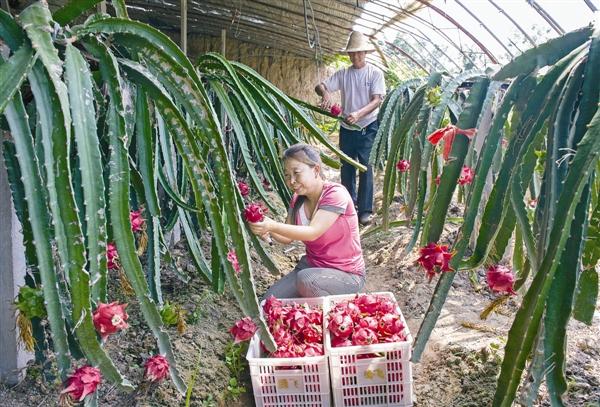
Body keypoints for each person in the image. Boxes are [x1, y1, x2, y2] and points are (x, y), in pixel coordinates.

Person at [248, 144, 366, 299]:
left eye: (296, 173)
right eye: (287, 175)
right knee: (269, 302)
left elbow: (312, 233)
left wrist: (272, 225)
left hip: (345, 273)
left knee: (308, 281)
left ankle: (333, 313)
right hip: (311, 266)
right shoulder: (297, 199)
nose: (292, 181)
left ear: (316, 170)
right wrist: (266, 229)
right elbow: (286, 237)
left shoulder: (335, 194)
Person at [315, 31, 386, 226]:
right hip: (347, 127)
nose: (356, 57)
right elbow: (320, 85)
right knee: (347, 166)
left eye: (359, 53)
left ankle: (365, 211)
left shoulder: (374, 73)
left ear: (365, 53)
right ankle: (347, 206)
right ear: (348, 55)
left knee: (366, 167)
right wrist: (326, 94)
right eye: (352, 53)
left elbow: (377, 100)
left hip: (367, 126)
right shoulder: (344, 74)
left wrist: (359, 114)